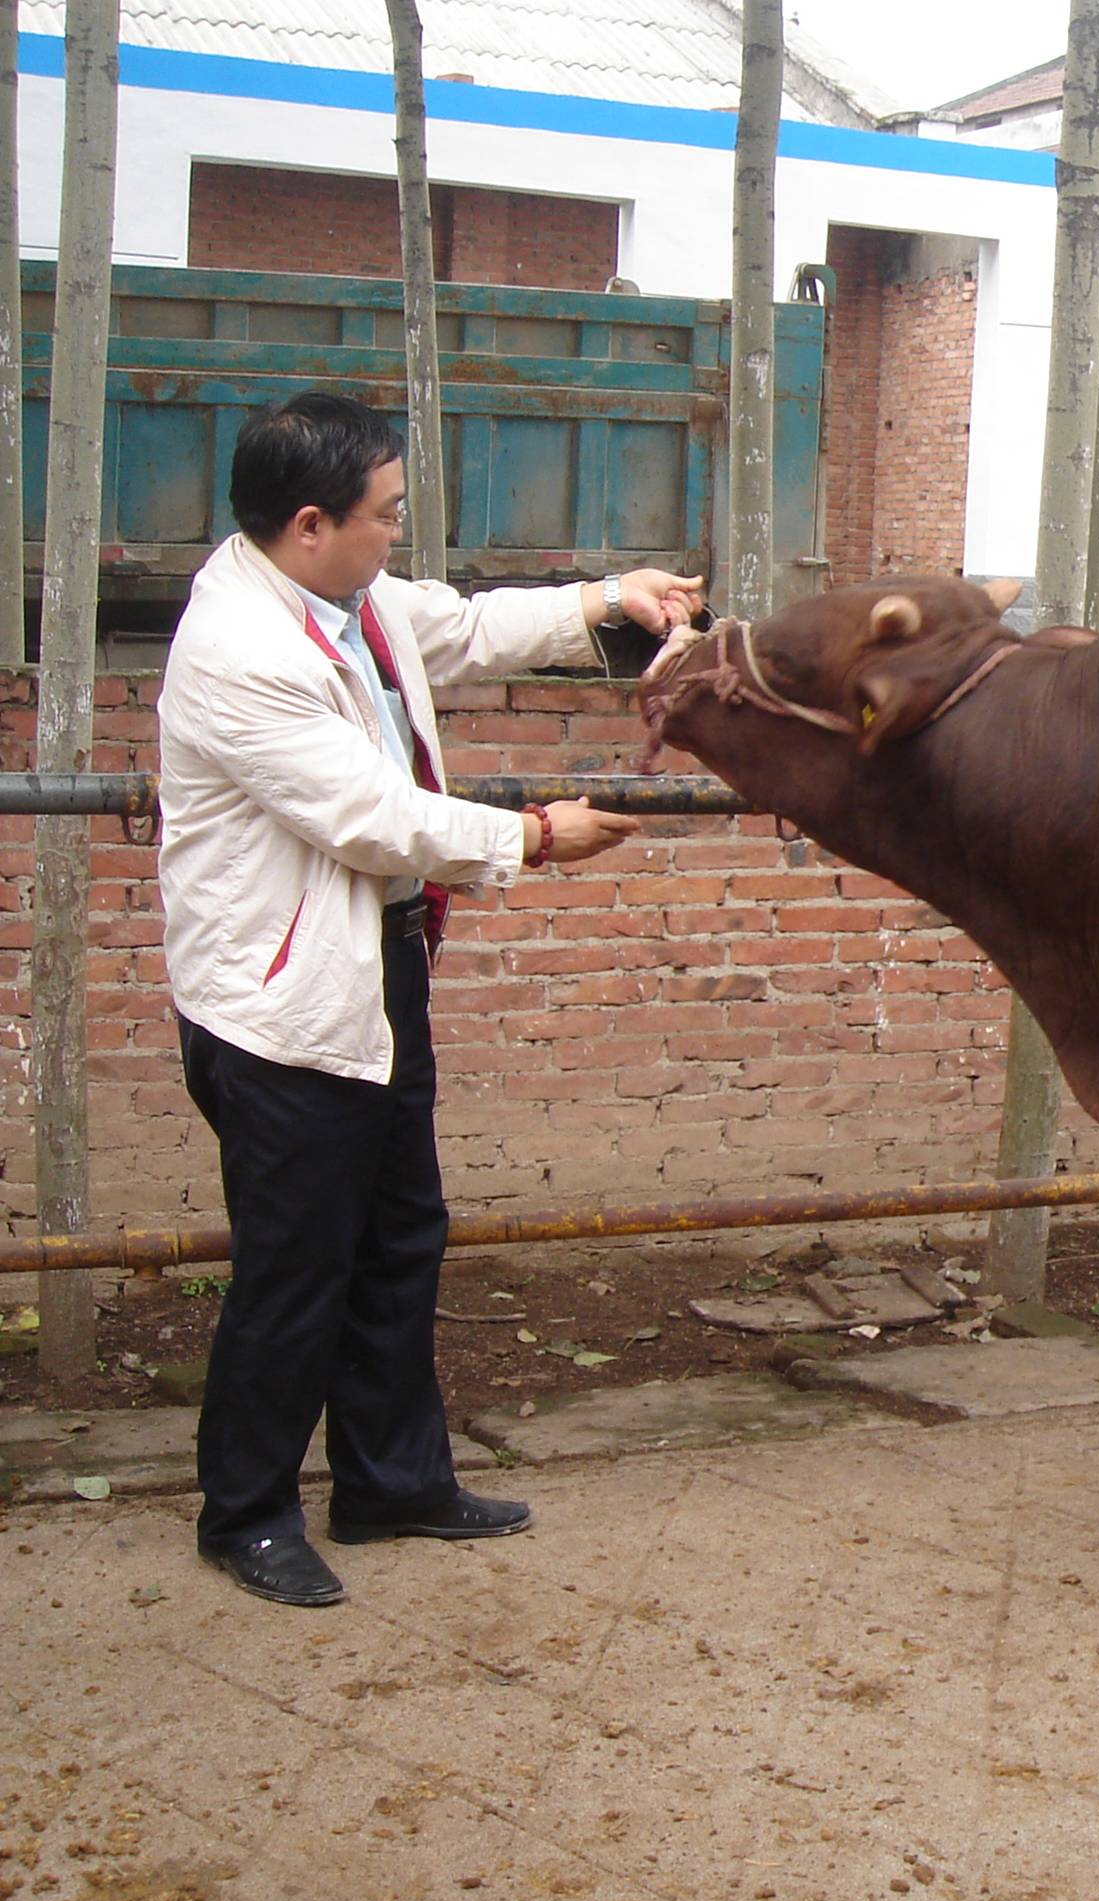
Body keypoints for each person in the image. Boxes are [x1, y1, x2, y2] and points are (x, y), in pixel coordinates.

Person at [157, 390, 702, 1607]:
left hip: (375, 971)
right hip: (283, 1004)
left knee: (401, 1234)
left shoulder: (343, 598)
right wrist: (536, 835)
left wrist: (607, 598)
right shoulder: (240, 647)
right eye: (386, 515)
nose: (398, 534)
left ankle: (392, 1480)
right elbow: (371, 817)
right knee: (296, 1267)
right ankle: (244, 1513)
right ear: (310, 523)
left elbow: (458, 628)